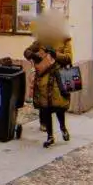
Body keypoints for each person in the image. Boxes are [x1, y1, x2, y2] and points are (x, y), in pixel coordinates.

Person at [23, 11, 74, 148]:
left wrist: (55, 54)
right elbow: (27, 51)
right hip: (43, 80)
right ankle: (50, 136)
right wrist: (32, 54)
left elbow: (69, 58)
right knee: (45, 109)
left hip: (58, 80)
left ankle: (63, 128)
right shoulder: (42, 40)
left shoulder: (65, 39)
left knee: (59, 108)